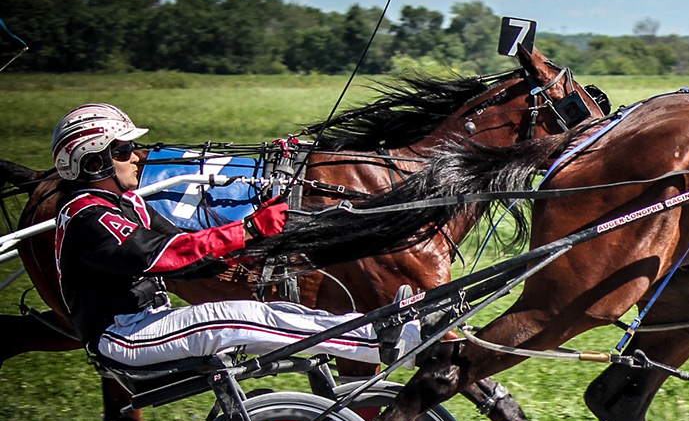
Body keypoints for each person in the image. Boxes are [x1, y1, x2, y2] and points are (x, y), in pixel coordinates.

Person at [48, 103, 417, 370]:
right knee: (239, 318)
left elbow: (192, 252)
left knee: (279, 312)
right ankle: (375, 343)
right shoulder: (88, 217)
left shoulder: (125, 203)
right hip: (124, 337)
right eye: (125, 150)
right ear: (93, 161)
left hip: (148, 323)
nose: (136, 158)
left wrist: (250, 245)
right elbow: (167, 254)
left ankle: (380, 329)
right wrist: (251, 227)